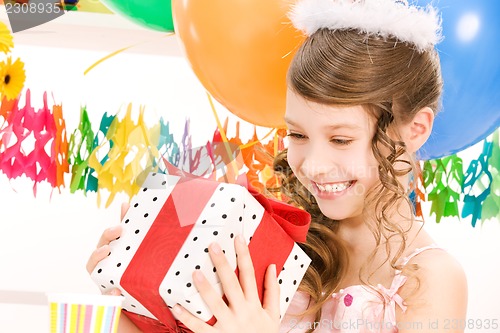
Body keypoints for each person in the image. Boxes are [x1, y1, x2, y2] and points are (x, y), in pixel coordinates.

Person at [87, 0, 468, 332]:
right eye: (298, 135)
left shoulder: (430, 281)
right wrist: (127, 289)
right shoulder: (266, 236)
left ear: (415, 129)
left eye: (341, 139)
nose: (315, 166)